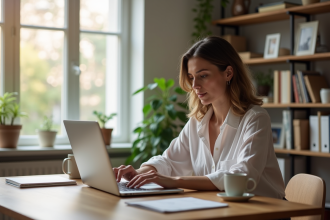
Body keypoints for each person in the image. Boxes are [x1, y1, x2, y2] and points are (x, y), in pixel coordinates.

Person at [113, 36, 285, 199]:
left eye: (203, 76)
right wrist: (139, 172)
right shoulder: (197, 122)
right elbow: (170, 161)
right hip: (222, 210)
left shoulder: (255, 119)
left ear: (228, 73)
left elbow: (243, 175)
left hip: (263, 212)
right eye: (191, 77)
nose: (195, 85)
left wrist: (174, 182)